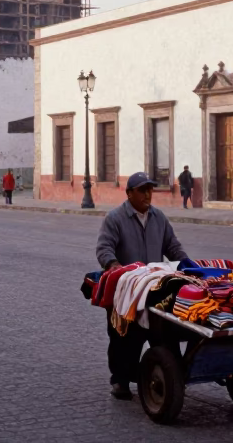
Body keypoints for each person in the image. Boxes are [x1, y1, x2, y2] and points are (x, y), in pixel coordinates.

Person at [95, 171, 188, 401]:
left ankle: (170, 375)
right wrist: (115, 266)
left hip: (154, 289)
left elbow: (173, 247)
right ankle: (120, 380)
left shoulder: (159, 218)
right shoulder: (115, 218)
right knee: (123, 338)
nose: (148, 194)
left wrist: (189, 266)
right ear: (129, 194)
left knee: (164, 334)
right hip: (127, 291)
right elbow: (104, 248)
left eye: (150, 189)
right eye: (142, 190)